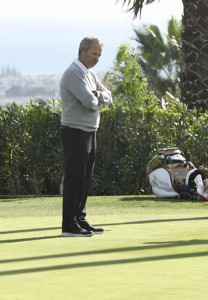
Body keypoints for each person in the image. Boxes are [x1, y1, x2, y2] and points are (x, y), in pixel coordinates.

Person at [60, 36, 112, 237]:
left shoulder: (89, 74)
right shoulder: (74, 73)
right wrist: (98, 96)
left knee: (85, 178)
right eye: (94, 54)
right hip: (75, 131)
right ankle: (69, 224)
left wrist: (98, 94)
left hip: (90, 130)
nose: (97, 58)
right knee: (74, 177)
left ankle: (79, 218)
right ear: (82, 52)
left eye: (99, 55)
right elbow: (90, 101)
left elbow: (108, 95)